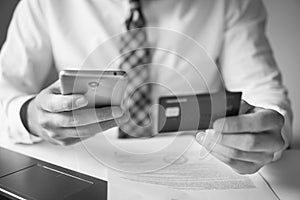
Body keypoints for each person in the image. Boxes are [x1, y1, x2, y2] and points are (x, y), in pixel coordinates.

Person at [0, 0, 292, 175]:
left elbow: (264, 96)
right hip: (85, 165)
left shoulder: (230, 2)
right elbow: (5, 88)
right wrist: (28, 116)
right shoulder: (43, 3)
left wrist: (266, 133)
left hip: (199, 166)